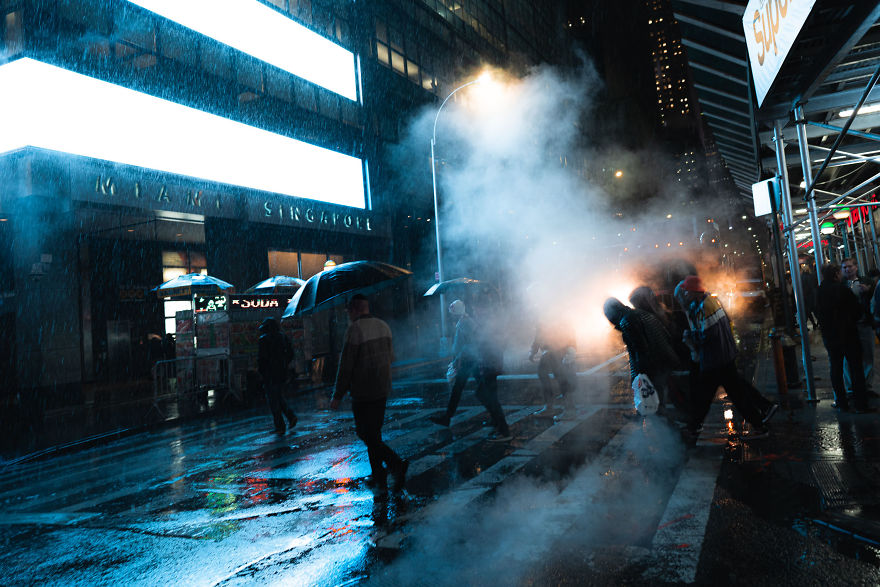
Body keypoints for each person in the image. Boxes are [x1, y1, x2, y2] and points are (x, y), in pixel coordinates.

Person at [677, 275, 777, 440]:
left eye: (687, 291)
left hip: (715, 359)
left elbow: (707, 334)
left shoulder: (705, 306)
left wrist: (690, 336)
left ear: (694, 291)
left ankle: (694, 427)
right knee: (736, 395)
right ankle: (761, 420)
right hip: (721, 357)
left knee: (706, 397)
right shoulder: (708, 302)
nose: (685, 294)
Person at [331, 294, 408, 490]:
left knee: (365, 432)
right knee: (374, 432)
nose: (348, 315)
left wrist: (338, 395)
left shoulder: (355, 330)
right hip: (382, 387)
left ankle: (395, 463)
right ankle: (378, 474)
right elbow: (391, 357)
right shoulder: (383, 326)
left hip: (363, 390)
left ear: (354, 309)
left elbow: (346, 366)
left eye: (349, 311)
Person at [603, 297, 679, 415]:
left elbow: (639, 349)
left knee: (652, 399)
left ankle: (660, 422)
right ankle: (656, 418)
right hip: (664, 359)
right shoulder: (640, 313)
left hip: (652, 365)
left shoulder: (627, 321)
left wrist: (638, 375)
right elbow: (666, 335)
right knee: (659, 397)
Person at [817, 263, 873, 413]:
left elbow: (818, 312)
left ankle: (841, 402)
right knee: (856, 368)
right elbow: (857, 310)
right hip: (848, 334)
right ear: (836, 274)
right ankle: (861, 404)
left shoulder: (820, 290)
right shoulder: (842, 289)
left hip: (830, 336)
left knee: (836, 368)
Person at [529, 318, 577, 416]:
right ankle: (552, 406)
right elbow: (539, 334)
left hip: (559, 349)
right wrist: (533, 350)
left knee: (560, 377)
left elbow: (568, 330)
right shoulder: (543, 318)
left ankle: (568, 409)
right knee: (546, 375)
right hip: (549, 351)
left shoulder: (557, 316)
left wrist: (571, 348)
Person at [258, 317, 298, 435]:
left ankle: (280, 425)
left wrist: (262, 372)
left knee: (273, 400)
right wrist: (284, 364)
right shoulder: (283, 337)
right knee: (278, 396)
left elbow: (262, 359)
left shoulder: (264, 339)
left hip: (270, 374)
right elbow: (290, 353)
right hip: (281, 372)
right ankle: (290, 417)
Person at [841, 258, 874, 395]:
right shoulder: (841, 285)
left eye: (850, 266)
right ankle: (850, 387)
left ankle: (866, 385)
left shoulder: (866, 282)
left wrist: (868, 292)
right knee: (847, 357)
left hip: (864, 323)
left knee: (867, 355)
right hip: (848, 326)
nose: (847, 269)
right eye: (844, 267)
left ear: (856, 267)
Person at [800, 264, 819, 330]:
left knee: (807, 312)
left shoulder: (801, 277)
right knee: (814, 310)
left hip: (804, 296)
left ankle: (811, 324)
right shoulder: (810, 276)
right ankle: (817, 323)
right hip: (810, 296)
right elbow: (812, 287)